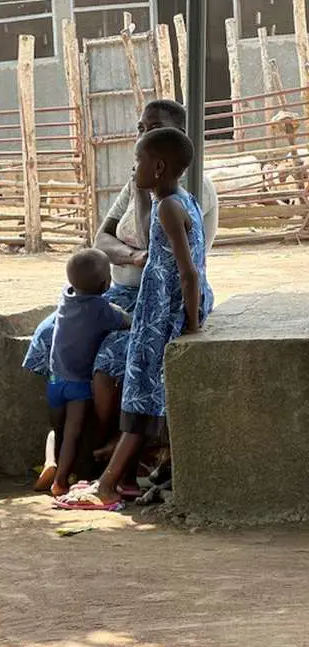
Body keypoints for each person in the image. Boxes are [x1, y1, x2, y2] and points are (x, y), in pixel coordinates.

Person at [24, 100, 218, 486]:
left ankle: (101, 453)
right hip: (121, 291)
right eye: (140, 128)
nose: (140, 137)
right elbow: (102, 240)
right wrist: (132, 256)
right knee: (51, 336)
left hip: (156, 301)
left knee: (108, 358)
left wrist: (144, 199)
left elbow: (166, 254)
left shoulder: (184, 192)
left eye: (152, 129)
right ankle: (66, 444)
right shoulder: (140, 184)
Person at [45, 249, 130, 497]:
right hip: (78, 385)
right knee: (73, 433)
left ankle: (51, 461)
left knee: (57, 428)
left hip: (54, 380)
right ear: (105, 284)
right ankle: (60, 480)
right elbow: (125, 321)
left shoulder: (65, 296)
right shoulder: (100, 309)